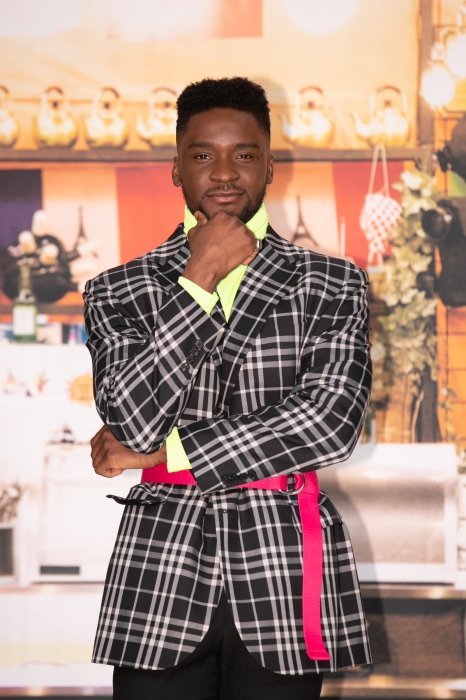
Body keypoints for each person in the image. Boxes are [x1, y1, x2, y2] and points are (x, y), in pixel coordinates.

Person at [84, 76, 372, 700]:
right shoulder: (117, 289)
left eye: (243, 153)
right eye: (202, 154)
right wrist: (199, 278)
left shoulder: (331, 282)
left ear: (269, 167)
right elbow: (132, 421)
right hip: (160, 565)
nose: (223, 172)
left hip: (282, 564)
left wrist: (168, 453)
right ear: (176, 169)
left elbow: (330, 424)